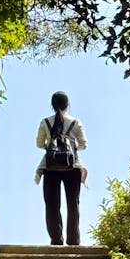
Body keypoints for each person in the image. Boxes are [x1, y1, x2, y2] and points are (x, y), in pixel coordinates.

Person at [35, 91, 88, 246]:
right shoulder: (75, 122)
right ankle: (73, 241)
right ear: (67, 105)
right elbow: (84, 144)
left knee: (52, 204)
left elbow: (39, 144)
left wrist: (52, 147)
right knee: (73, 204)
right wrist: (71, 146)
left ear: (52, 105)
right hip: (73, 166)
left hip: (50, 167)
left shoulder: (45, 122)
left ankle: (56, 240)